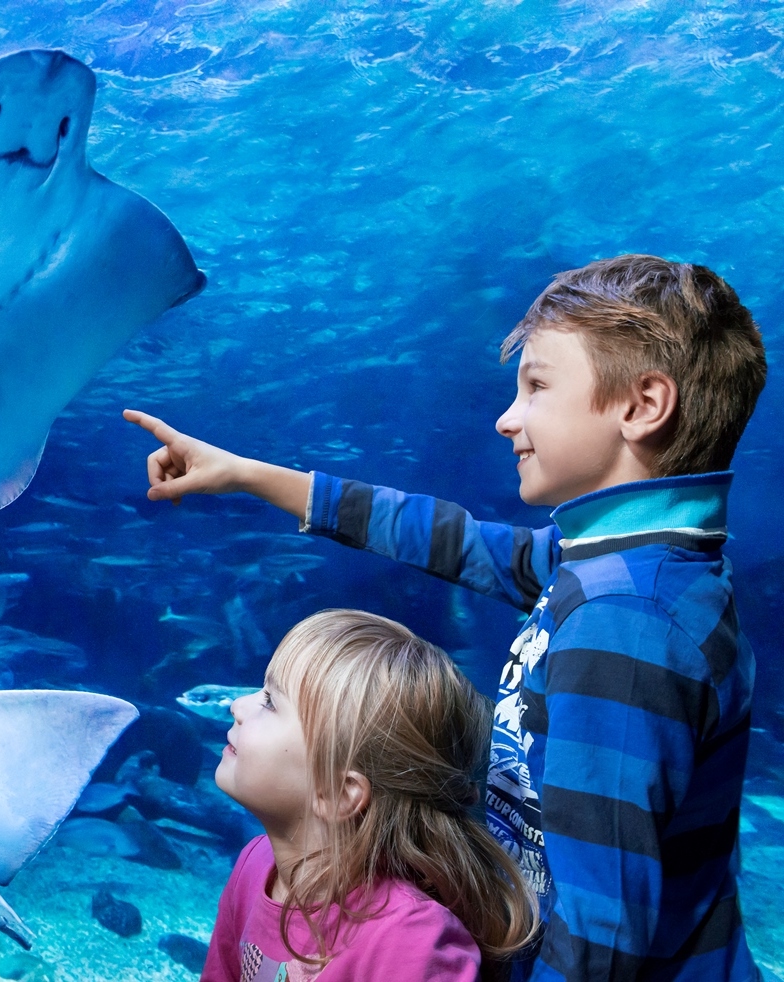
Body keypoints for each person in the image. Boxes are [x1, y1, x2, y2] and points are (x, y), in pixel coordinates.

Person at [126, 255, 768, 980]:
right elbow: (456, 541)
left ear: (643, 405)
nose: (507, 418)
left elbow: (604, 929)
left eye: (537, 386)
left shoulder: (629, 625)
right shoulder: (614, 568)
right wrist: (251, 475)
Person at [204, 609, 537, 982]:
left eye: (269, 701)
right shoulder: (254, 865)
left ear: (339, 793)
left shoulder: (411, 942)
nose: (236, 705)